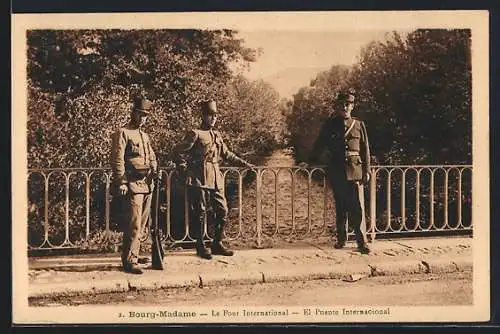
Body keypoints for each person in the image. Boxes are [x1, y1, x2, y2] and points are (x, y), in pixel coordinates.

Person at [174, 100, 255, 259]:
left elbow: (227, 155)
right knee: (199, 213)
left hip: (216, 177)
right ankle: (200, 245)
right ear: (203, 116)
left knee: (223, 210)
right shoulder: (195, 133)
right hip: (199, 177)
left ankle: (217, 243)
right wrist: (183, 170)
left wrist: (246, 165)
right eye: (210, 115)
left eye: (215, 115)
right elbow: (177, 151)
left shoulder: (217, 135)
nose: (213, 118)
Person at [301, 90, 371, 254]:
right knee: (340, 205)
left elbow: (365, 149)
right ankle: (341, 239)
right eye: (342, 105)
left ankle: (362, 241)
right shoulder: (330, 125)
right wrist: (309, 161)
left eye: (348, 104)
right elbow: (320, 145)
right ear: (337, 107)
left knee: (356, 206)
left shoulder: (359, 125)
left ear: (352, 106)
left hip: (355, 169)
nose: (345, 107)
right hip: (337, 169)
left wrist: (367, 170)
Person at [110, 97, 164, 274]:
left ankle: (134, 253)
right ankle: (129, 261)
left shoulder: (145, 136)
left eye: (145, 116)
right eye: (140, 115)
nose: (142, 119)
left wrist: (156, 169)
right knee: (133, 223)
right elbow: (117, 160)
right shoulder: (123, 132)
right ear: (133, 113)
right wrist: (122, 181)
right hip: (132, 184)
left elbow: (152, 157)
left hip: (147, 184)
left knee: (142, 224)